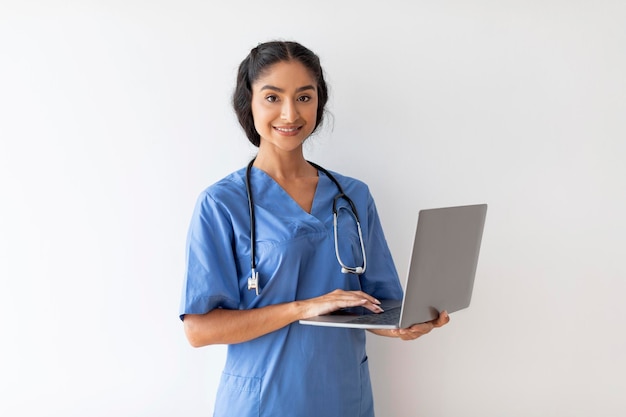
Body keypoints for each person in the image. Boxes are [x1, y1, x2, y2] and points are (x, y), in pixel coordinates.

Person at [179, 40, 450, 417]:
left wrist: (401, 326)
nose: (290, 114)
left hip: (343, 396)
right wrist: (304, 307)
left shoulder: (353, 195)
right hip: (264, 401)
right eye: (273, 97)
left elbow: (376, 305)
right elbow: (199, 330)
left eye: (304, 97)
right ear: (249, 103)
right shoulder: (222, 204)